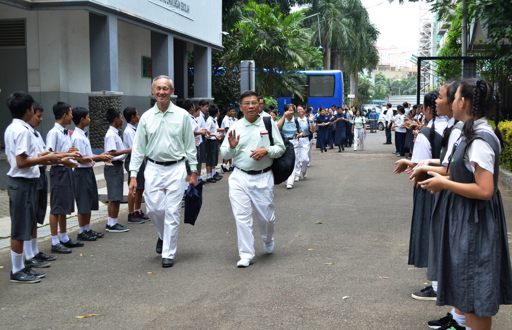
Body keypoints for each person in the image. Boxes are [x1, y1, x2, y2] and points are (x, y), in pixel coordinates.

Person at [419, 78, 512, 330]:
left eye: (455, 95)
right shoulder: (471, 132)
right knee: (468, 288)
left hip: (476, 223)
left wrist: (443, 183)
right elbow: (461, 173)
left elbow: (484, 189)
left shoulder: (479, 139)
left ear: (463, 101)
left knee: (474, 292)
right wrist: (437, 174)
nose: (450, 99)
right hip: (470, 219)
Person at [129, 75, 198, 268]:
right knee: (154, 209)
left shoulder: (182, 115)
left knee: (173, 211)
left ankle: (168, 253)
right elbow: (138, 148)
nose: (161, 92)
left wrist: (193, 171)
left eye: (165, 88)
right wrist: (133, 175)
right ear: (153, 92)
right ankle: (162, 235)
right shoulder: (146, 118)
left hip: (176, 168)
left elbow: (190, 145)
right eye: (158, 88)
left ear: (172, 92)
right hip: (152, 168)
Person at [220, 90, 285, 268]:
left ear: (259, 105)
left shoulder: (268, 123)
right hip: (239, 177)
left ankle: (268, 238)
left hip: (263, 177)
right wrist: (232, 148)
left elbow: (280, 148)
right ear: (241, 107)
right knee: (242, 217)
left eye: (254, 103)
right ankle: (246, 254)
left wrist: (266, 151)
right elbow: (224, 152)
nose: (250, 106)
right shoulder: (235, 127)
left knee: (267, 218)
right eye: (246, 103)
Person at [5, 91, 61, 283]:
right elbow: (22, 162)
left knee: (27, 224)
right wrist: (47, 158)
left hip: (25, 182)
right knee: (20, 227)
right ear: (28, 110)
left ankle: (23, 265)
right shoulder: (21, 131)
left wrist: (50, 156)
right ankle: (17, 269)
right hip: (21, 182)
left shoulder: (17, 128)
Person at [46, 101, 83, 254]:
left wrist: (71, 153)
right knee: (56, 206)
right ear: (63, 115)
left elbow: (64, 151)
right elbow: (49, 154)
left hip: (67, 171)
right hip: (58, 171)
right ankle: (54, 241)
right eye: (70, 113)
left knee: (64, 205)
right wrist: (65, 159)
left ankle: (64, 236)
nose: (72, 116)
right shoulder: (53, 133)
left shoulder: (65, 132)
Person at [71, 107, 112, 241]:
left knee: (88, 200)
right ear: (82, 119)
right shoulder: (77, 137)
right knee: (83, 201)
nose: (90, 119)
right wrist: (99, 158)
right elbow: (80, 158)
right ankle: (82, 230)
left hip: (87, 171)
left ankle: (87, 228)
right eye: (88, 117)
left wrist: (99, 156)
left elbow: (87, 155)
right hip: (80, 172)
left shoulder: (82, 134)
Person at [25, 103, 57, 268]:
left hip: (40, 173)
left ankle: (34, 250)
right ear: (29, 114)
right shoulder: (24, 133)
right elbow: (33, 156)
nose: (40, 119)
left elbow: (44, 152)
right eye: (38, 116)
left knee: (37, 213)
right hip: (31, 175)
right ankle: (28, 254)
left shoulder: (36, 133)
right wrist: (57, 156)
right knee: (29, 216)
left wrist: (57, 155)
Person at [104, 108, 131, 233]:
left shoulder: (115, 133)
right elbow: (112, 153)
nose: (122, 119)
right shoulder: (110, 134)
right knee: (114, 196)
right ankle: (111, 223)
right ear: (115, 119)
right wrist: (128, 150)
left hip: (118, 166)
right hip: (113, 166)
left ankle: (113, 221)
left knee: (117, 195)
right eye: (120, 117)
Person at [122, 106, 148, 224]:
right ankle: (131, 212)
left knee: (141, 187)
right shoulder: (128, 131)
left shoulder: (134, 129)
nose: (138, 116)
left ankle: (137, 210)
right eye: (136, 114)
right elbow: (135, 147)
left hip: (139, 159)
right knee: (134, 187)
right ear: (132, 117)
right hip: (133, 160)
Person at [277, 104, 302, 189]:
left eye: (292, 110)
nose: (291, 112)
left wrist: (300, 134)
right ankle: (286, 177)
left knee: (293, 161)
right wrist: (284, 116)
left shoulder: (296, 120)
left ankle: (290, 182)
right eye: (289, 110)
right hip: (284, 142)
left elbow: (300, 131)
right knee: (285, 162)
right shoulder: (282, 120)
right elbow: (277, 128)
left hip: (294, 142)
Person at [204, 104, 224, 183]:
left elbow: (215, 129)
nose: (219, 112)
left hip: (214, 141)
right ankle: (209, 176)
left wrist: (220, 132)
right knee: (210, 159)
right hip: (210, 141)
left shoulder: (214, 119)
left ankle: (213, 174)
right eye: (218, 111)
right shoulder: (209, 120)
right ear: (216, 112)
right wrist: (215, 135)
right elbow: (206, 132)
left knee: (214, 158)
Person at [296, 105, 314, 179]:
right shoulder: (295, 120)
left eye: (301, 109)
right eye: (298, 110)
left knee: (305, 159)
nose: (299, 111)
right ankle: (297, 174)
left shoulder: (308, 120)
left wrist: (312, 122)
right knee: (297, 158)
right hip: (297, 140)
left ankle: (303, 171)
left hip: (306, 140)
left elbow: (313, 130)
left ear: (304, 110)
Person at [220, 105, 237, 172]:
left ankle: (230, 165)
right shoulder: (226, 119)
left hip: (231, 137)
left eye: (234, 111)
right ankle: (224, 165)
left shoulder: (232, 119)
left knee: (231, 151)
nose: (234, 112)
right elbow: (227, 129)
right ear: (228, 112)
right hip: (227, 138)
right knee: (228, 151)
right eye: (232, 111)